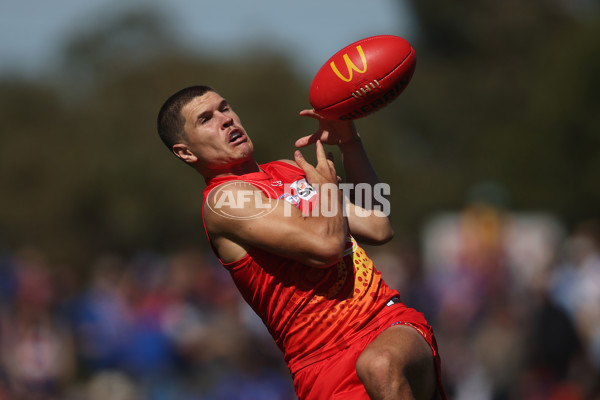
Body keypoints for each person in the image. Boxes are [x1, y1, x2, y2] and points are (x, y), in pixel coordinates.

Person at [156, 85, 446, 400]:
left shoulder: (288, 168)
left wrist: (350, 142)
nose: (225, 120)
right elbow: (327, 247)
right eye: (206, 119)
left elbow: (379, 225)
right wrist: (328, 194)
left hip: (383, 321)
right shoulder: (223, 201)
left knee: (379, 364)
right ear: (186, 151)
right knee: (376, 366)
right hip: (319, 365)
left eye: (224, 108)